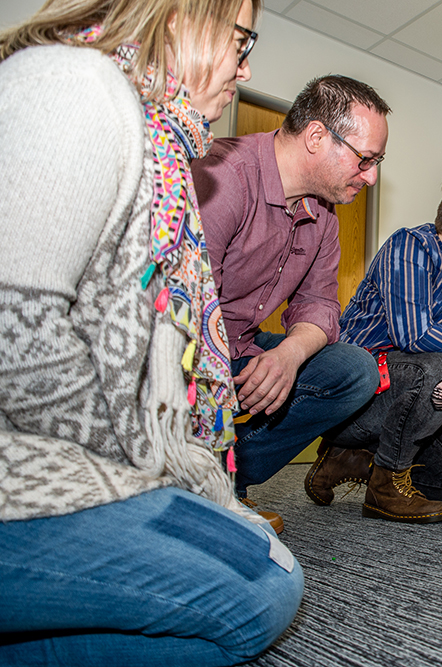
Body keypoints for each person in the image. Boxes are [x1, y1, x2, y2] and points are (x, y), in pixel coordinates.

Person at [0, 0, 303, 664]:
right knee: (262, 588)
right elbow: (15, 338)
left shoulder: (157, 149)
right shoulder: (74, 86)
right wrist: (148, 479)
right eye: (241, 39)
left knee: (263, 560)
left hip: (83, 461)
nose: (245, 67)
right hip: (27, 475)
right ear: (179, 18)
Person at [192, 75, 388, 524]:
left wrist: (288, 354)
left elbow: (320, 303)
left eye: (378, 162)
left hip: (241, 344)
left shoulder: (324, 213)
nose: (372, 177)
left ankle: (227, 474)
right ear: (317, 136)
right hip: (188, 352)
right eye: (365, 160)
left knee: (356, 371)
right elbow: (188, 316)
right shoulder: (221, 178)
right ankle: (196, 476)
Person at [305, 168, 442, 523]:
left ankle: (351, 458)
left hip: (418, 393)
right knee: (439, 368)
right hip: (359, 392)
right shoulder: (410, 246)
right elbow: (413, 335)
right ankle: (384, 485)